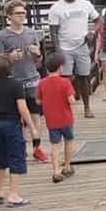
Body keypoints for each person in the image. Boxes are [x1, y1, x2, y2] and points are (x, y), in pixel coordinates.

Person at [0, 0, 48, 163]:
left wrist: (37, 54)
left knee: (36, 115)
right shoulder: (2, 36)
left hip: (32, 79)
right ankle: (21, 148)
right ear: (9, 16)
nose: (22, 16)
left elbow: (39, 61)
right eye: (18, 13)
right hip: (13, 81)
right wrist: (9, 58)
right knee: (18, 117)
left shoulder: (31, 33)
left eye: (24, 13)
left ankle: (37, 148)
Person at [47, 0, 100, 119]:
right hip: (65, 46)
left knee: (84, 76)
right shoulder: (56, 8)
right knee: (65, 78)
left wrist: (92, 32)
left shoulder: (85, 4)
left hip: (82, 45)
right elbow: (53, 30)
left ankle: (87, 107)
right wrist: (57, 48)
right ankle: (65, 108)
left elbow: (99, 20)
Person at [0, 55, 37, 207]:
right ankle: (14, 194)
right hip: (11, 124)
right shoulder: (16, 85)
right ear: (11, 68)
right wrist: (32, 127)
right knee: (16, 157)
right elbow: (22, 108)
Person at [36, 53, 75, 183]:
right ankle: (68, 166)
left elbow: (38, 101)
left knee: (55, 145)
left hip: (51, 119)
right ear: (60, 67)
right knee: (68, 141)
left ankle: (56, 170)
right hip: (66, 118)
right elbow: (71, 100)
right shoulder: (65, 82)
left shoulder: (42, 83)